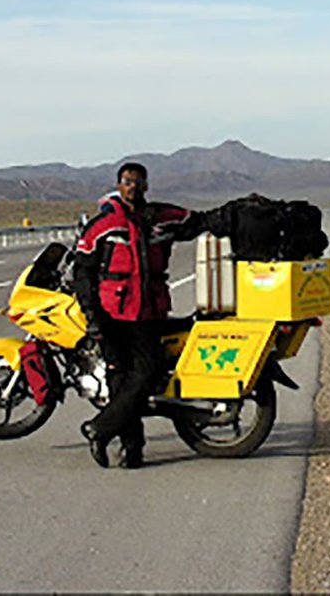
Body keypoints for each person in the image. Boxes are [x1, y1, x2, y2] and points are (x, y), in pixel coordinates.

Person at [71, 161, 198, 469]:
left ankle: (100, 429)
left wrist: (236, 216)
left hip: (148, 313)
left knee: (147, 373)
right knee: (118, 378)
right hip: (112, 313)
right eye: (128, 181)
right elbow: (83, 271)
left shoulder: (159, 218)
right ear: (119, 185)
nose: (133, 187)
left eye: (139, 182)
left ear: (146, 186)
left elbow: (198, 221)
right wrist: (91, 315)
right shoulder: (103, 225)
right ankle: (132, 450)